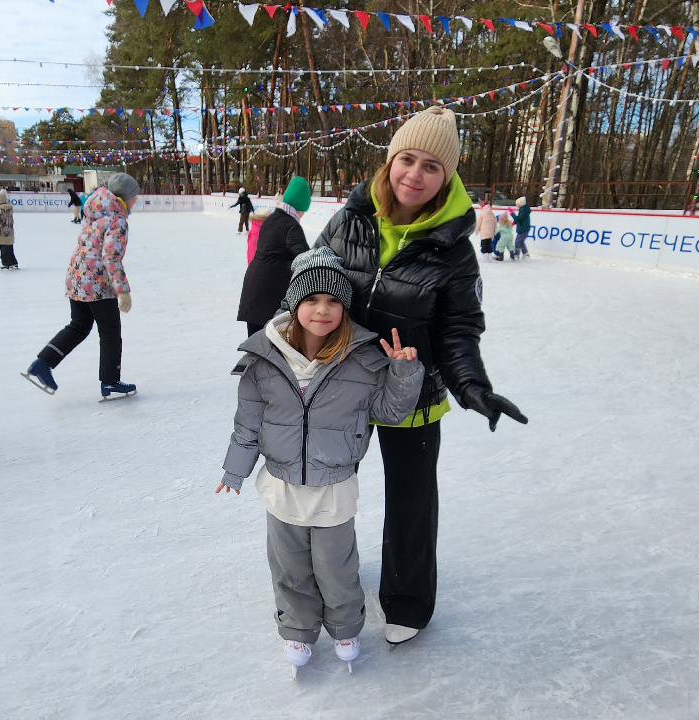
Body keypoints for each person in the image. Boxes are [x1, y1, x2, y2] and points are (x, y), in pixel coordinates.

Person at [314, 106, 528, 645]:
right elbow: (308, 287)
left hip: (417, 396)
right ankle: (324, 580)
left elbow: (459, 331)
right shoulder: (348, 220)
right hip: (343, 386)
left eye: (432, 166)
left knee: (410, 500)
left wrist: (473, 386)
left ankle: (407, 599)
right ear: (390, 162)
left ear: (447, 177)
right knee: (325, 490)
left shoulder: (455, 250)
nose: (415, 173)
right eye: (407, 158)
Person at [217, 247, 425, 679]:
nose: (322, 310)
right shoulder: (263, 361)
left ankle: (346, 626)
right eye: (312, 300)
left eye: (333, 301)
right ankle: (297, 627)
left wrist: (403, 374)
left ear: (344, 308)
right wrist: (235, 470)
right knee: (289, 566)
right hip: (283, 485)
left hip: (334, 486)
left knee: (336, 567)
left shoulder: (365, 359)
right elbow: (249, 423)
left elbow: (389, 412)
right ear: (295, 305)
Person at [21, 173, 139, 401]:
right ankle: (110, 381)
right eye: (135, 197)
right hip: (97, 283)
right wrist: (123, 290)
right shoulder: (117, 220)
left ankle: (42, 363)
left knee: (79, 326)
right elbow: (111, 256)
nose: (136, 201)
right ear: (125, 197)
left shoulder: (95, 214)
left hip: (76, 278)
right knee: (110, 332)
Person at [237, 176, 311, 337]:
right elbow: (307, 262)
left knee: (257, 348)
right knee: (270, 350)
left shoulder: (271, 219)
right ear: (301, 206)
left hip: (255, 290)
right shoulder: (290, 226)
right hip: (269, 296)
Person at [0, 189, 18, 269]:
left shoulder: (1, 211)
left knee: (3, 249)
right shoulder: (9, 209)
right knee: (9, 248)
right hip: (10, 232)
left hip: (2, 233)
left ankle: (6, 263)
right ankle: (13, 262)